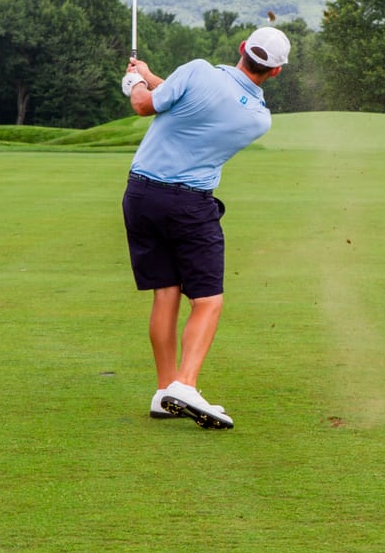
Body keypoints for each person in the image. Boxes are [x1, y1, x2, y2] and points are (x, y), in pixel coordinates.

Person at [120, 26, 291, 429]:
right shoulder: (257, 119)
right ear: (276, 72)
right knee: (208, 300)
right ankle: (186, 383)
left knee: (167, 293)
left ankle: (165, 392)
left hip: (141, 196)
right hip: (189, 206)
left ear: (242, 48)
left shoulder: (196, 71)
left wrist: (136, 81)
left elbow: (146, 105)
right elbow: (207, 102)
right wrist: (148, 77)